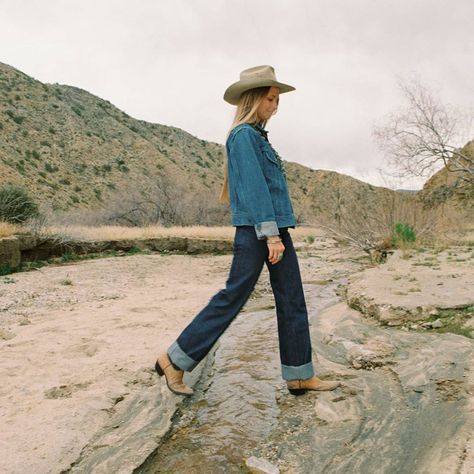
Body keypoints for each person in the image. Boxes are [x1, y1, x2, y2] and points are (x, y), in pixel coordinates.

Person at [155, 65, 341, 397]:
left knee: (292, 299)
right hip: (259, 233)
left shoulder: (257, 137)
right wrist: (270, 235)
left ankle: (300, 375)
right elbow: (256, 190)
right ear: (255, 99)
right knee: (232, 297)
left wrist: (277, 233)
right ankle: (174, 359)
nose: (276, 105)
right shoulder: (243, 137)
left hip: (275, 231)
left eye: (277, 100)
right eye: (271, 99)